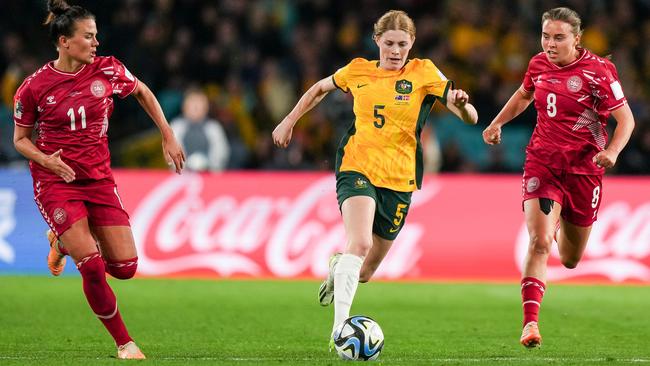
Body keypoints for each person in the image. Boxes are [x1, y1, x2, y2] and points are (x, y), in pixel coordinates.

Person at [272, 9, 478, 348]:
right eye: (389, 43)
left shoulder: (424, 72)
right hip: (357, 165)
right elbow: (319, 89)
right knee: (361, 242)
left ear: (412, 43)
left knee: (364, 271)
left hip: (400, 179)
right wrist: (290, 120)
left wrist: (463, 104)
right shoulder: (358, 70)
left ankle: (340, 266)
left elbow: (468, 116)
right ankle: (340, 332)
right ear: (377, 41)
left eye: (402, 44)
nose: (395, 51)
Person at [12, 0, 185, 359]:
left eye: (96, 36)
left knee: (125, 268)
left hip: (99, 179)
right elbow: (20, 140)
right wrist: (47, 161)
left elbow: (142, 92)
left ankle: (61, 242)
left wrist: (167, 134)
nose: (95, 43)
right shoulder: (33, 87)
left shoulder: (108, 70)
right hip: (55, 181)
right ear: (64, 42)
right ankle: (125, 342)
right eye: (88, 37)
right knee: (91, 264)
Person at [482, 7, 635, 348]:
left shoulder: (599, 71)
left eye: (559, 37)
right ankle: (529, 324)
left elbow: (626, 121)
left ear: (577, 39)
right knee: (538, 242)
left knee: (569, 258)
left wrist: (611, 152)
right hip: (543, 163)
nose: (550, 44)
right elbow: (523, 95)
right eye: (546, 36)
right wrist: (497, 123)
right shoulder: (538, 64)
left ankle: (561, 220)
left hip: (584, 170)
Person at [170, 88, 230, 172]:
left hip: (209, 174)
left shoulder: (214, 127)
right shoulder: (176, 126)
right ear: (184, 106)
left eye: (199, 104)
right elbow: (171, 153)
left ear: (206, 108)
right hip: (181, 174)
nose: (195, 107)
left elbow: (221, 153)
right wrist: (185, 166)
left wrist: (208, 166)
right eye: (192, 103)